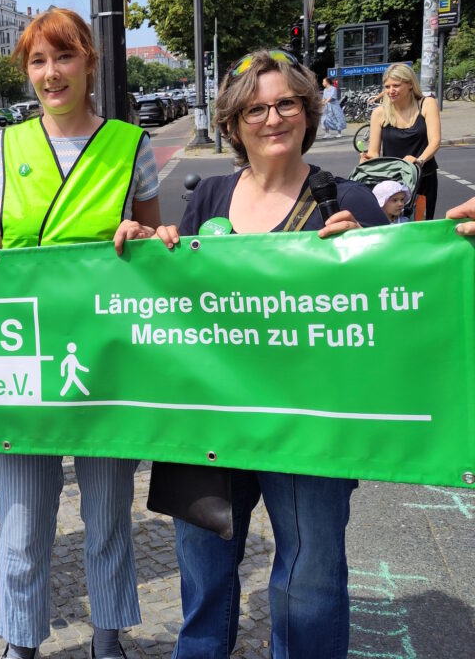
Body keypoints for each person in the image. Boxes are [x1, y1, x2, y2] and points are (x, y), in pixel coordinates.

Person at [154, 50, 386, 659]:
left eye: (286, 103)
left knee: (306, 585)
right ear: (231, 125)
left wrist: (381, 258)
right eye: (255, 108)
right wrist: (149, 252)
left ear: (308, 111)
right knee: (202, 577)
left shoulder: (348, 202)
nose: (273, 117)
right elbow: (172, 303)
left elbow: (394, 313)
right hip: (210, 425)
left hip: (306, 428)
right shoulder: (206, 199)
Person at [0, 7, 161, 659]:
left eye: (63, 57)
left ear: (89, 62)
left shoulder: (130, 146)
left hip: (103, 362)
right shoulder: (5, 146)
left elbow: (154, 241)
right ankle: (20, 640)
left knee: (105, 517)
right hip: (22, 357)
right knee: (19, 524)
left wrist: (144, 236)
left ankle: (107, 634)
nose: (51, 73)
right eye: (38, 61)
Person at [362, 63, 441, 219]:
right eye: (387, 86)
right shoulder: (379, 113)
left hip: (422, 180)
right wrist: (368, 160)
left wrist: (419, 160)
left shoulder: (427, 104)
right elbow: (374, 151)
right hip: (392, 184)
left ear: (410, 84)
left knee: (420, 225)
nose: (391, 91)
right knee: (393, 228)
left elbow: (435, 142)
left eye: (396, 85)